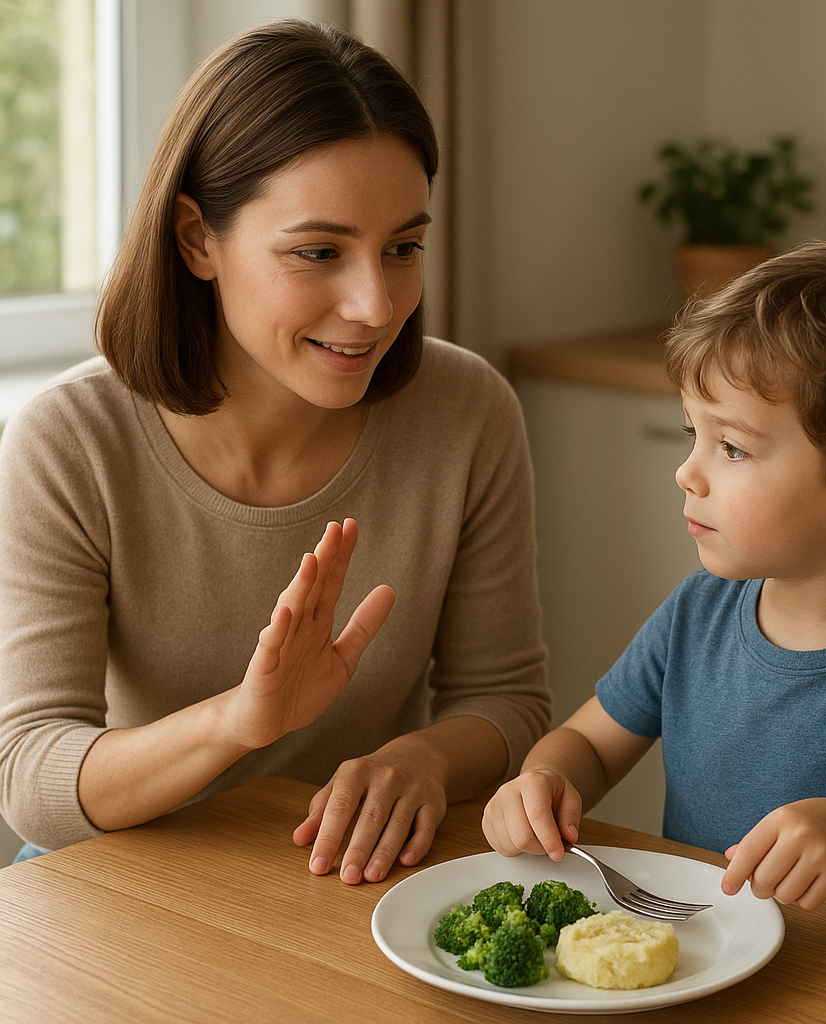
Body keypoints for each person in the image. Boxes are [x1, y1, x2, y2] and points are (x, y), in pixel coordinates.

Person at [0, 20, 550, 884]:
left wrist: (426, 762)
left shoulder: (466, 411)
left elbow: (507, 699)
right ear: (196, 240)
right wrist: (237, 722)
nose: (376, 304)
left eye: (403, 248)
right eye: (318, 252)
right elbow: (32, 777)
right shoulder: (70, 441)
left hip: (346, 881)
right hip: (121, 881)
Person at [482, 241, 826, 930]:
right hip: (699, 957)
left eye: (732, 447)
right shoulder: (696, 614)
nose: (688, 472)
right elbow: (587, 745)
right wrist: (543, 783)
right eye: (692, 434)